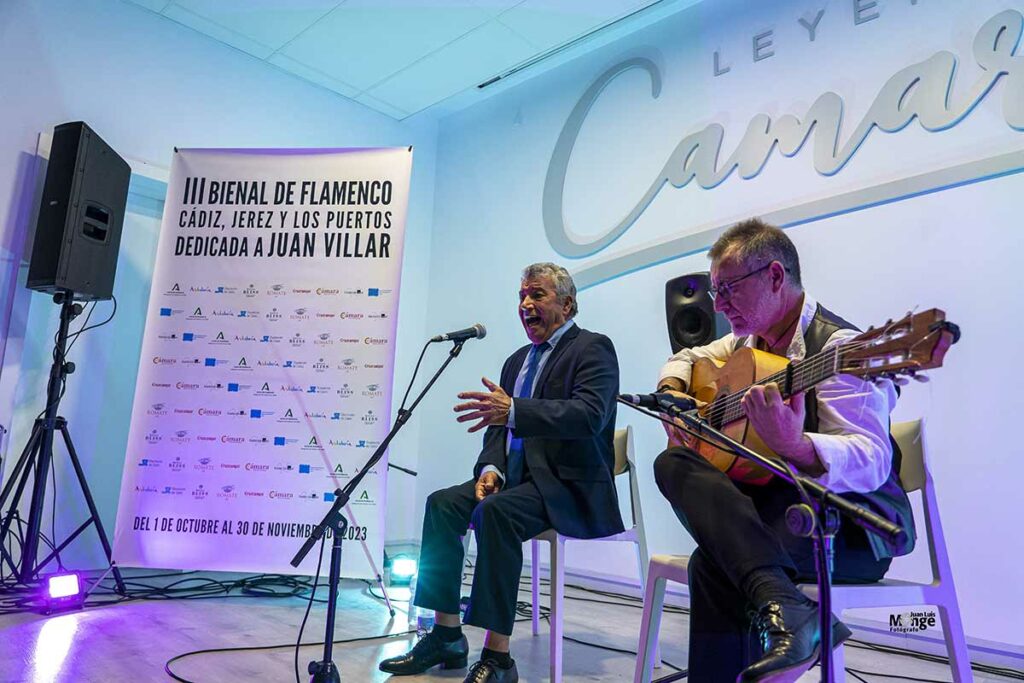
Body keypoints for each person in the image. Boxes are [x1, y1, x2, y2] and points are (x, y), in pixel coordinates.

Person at [653, 219, 916, 682]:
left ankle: (789, 612)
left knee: (713, 563)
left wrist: (795, 444)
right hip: (777, 519)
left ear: (775, 276)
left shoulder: (839, 347)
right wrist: (672, 390)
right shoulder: (745, 342)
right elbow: (689, 356)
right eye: (715, 291)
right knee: (674, 461)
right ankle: (788, 608)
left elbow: (872, 460)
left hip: (849, 530)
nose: (720, 305)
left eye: (729, 288)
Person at [379, 262, 623, 683]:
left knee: (495, 513)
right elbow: (498, 427)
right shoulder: (516, 361)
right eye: (521, 296)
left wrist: (514, 410)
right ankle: (446, 635)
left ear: (567, 305)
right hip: (516, 480)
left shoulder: (592, 348)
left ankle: (498, 658)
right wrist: (491, 468)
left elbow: (589, 415)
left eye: (537, 295)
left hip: (566, 485)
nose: (526, 304)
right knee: (442, 505)